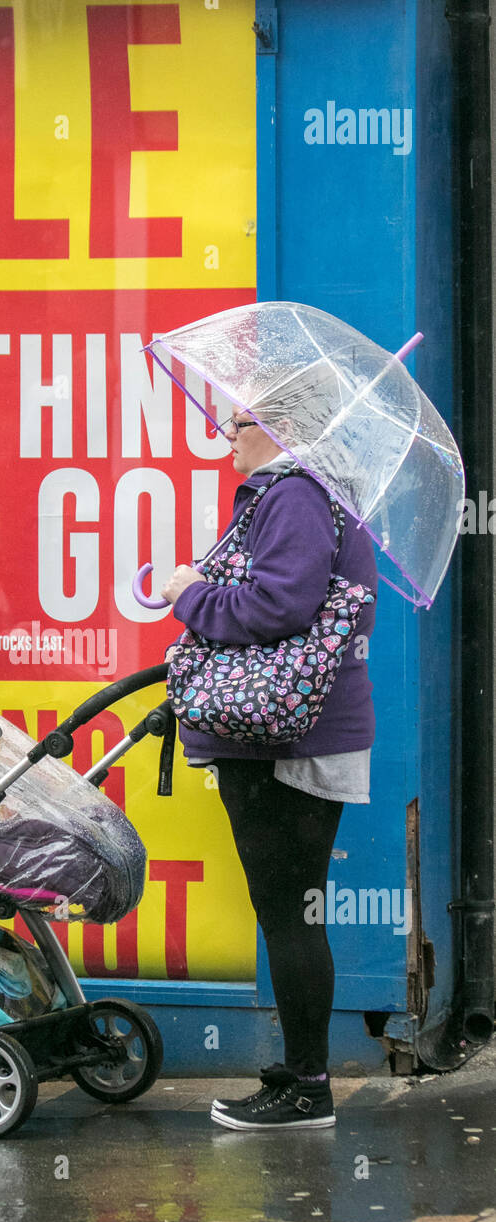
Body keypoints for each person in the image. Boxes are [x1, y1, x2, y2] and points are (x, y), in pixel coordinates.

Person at [161, 408, 379, 1130]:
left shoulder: (293, 492)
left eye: (241, 419)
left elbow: (278, 606)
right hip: (302, 736)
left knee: (289, 914)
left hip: (287, 744)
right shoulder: (313, 492)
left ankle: (308, 1089)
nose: (226, 429)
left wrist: (187, 592)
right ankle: (301, 1068)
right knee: (292, 910)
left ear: (288, 428)